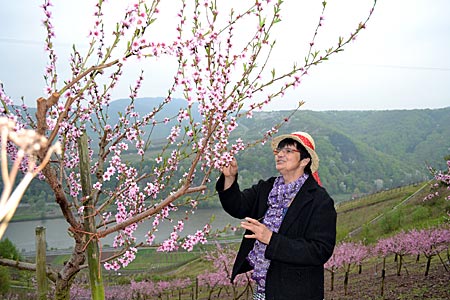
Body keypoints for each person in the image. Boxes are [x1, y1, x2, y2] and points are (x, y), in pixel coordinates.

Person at [216, 131, 337, 300]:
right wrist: (229, 178)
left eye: (288, 151)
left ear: (305, 160)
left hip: (298, 292)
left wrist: (271, 239)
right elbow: (238, 207)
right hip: (264, 288)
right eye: (279, 150)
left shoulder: (319, 200)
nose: (280, 154)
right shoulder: (267, 188)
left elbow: (319, 250)